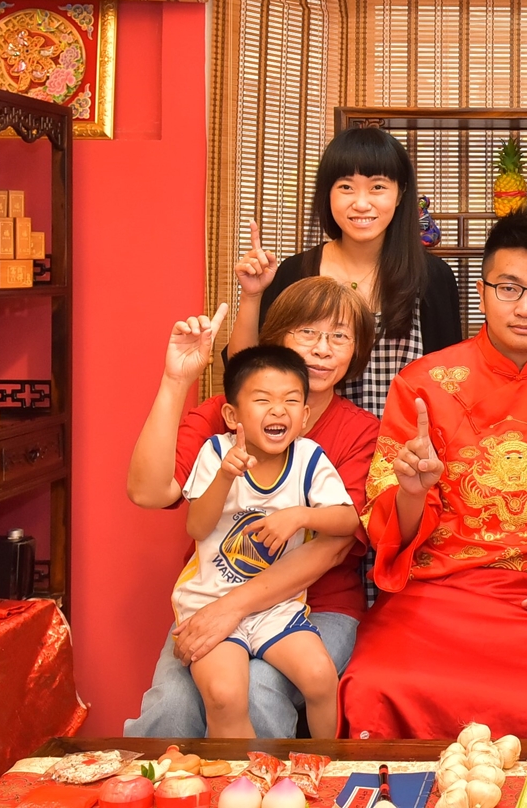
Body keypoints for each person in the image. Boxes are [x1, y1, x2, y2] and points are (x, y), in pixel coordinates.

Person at [338, 207, 527, 739]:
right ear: (482, 292)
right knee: (372, 684)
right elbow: (385, 530)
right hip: (436, 593)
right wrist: (411, 492)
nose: (525, 307)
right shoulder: (423, 384)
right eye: (509, 288)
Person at [125, 278, 379, 737]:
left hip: (317, 604)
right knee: (173, 708)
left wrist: (233, 609)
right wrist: (176, 380)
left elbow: (335, 543)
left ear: (356, 350)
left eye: (340, 336)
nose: (322, 349)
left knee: (259, 691)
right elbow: (148, 492)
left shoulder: (358, 431)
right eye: (307, 332)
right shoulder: (225, 415)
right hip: (214, 591)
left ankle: (286, 777)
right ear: (276, 336)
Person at [174, 345, 355, 737]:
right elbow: (197, 528)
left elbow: (347, 520)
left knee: (320, 675)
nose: (278, 411)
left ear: (305, 416)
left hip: (275, 606)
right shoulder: (216, 452)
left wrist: (301, 515)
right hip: (211, 601)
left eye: (291, 400)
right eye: (262, 400)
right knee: (225, 696)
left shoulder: (308, 458)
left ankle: (325, 767)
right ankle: (242, 775)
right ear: (232, 415)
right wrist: (225, 477)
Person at [227, 126, 461, 416]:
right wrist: (252, 296)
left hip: (408, 442)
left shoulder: (433, 278)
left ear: (400, 194)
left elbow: (451, 383)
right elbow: (244, 371)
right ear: (328, 193)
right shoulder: (296, 272)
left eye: (377, 187)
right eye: (346, 187)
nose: (361, 204)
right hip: (312, 441)